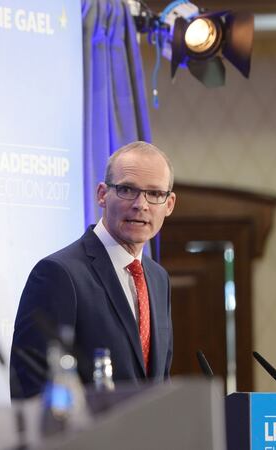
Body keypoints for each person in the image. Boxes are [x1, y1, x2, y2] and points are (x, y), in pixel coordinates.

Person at [10, 141, 177, 399]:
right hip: (87, 439)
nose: (141, 204)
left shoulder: (158, 278)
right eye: (127, 189)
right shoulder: (58, 274)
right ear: (102, 194)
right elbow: (33, 390)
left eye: (154, 194)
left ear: (169, 204)